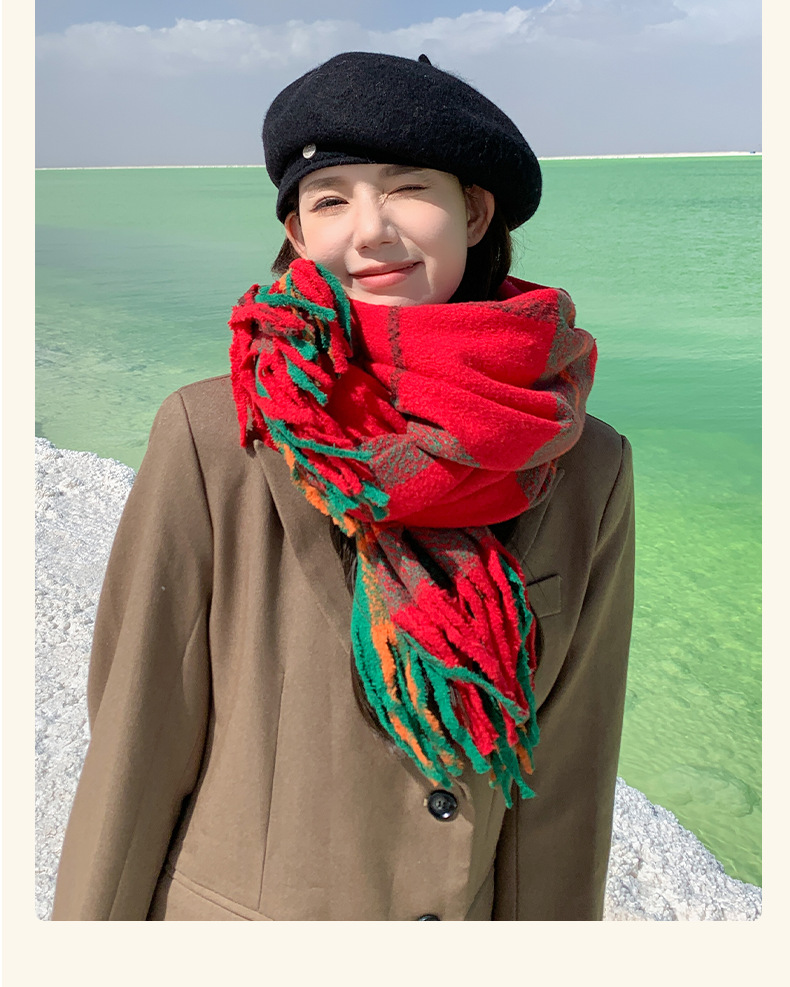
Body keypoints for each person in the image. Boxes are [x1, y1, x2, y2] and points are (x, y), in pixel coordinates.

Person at [52, 51, 635, 921]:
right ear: (297, 234)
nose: (370, 231)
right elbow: (140, 739)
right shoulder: (218, 437)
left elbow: (568, 773)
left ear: (474, 212)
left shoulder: (586, 462)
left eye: (408, 190)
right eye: (330, 201)